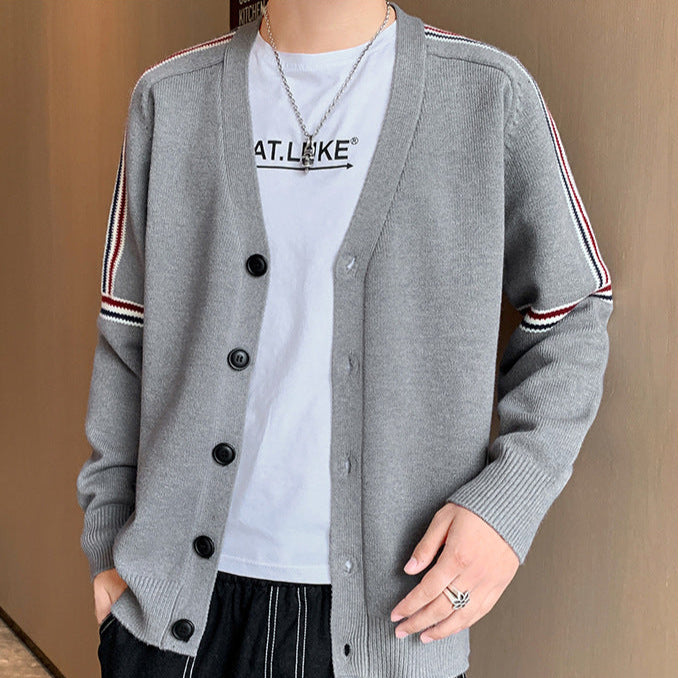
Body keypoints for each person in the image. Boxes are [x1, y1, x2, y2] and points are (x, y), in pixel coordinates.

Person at [76, 1, 613, 677]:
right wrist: (108, 542)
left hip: (389, 622)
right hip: (171, 614)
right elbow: (127, 336)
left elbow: (575, 309)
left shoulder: (488, 94)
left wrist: (509, 506)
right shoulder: (170, 98)